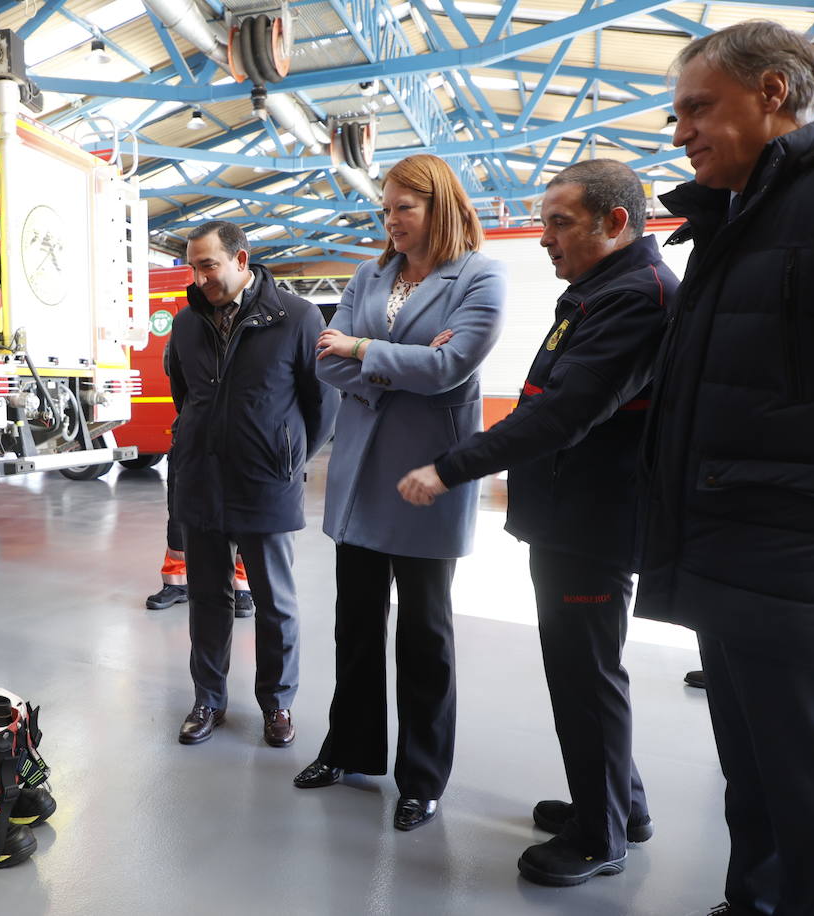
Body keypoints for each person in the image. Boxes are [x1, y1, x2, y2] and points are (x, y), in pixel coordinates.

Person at [398, 160, 675, 884]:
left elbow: (565, 413)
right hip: (567, 518)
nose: (545, 238)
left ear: (614, 223)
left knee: (586, 679)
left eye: (560, 223)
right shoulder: (596, 291)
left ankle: (598, 837)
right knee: (584, 673)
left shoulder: (636, 299)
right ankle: (621, 806)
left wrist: (452, 465)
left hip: (592, 525)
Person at [636, 21, 814, 916]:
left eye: (698, 108)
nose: (680, 131)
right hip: (728, 552)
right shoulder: (734, 223)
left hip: (803, 563)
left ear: (772, 93)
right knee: (754, 781)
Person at [292, 154, 505, 833]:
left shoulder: (480, 276)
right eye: (385, 210)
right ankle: (349, 750)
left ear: (439, 205)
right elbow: (324, 360)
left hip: (423, 480)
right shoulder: (369, 274)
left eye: (402, 209)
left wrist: (362, 349)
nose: (390, 221)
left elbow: (450, 367)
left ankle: (422, 775)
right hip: (358, 476)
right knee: (354, 626)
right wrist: (375, 358)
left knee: (425, 637)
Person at [165, 220, 338, 748]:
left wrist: (287, 458)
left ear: (241, 260)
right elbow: (184, 394)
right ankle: (208, 700)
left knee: (274, 601)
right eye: (193, 267)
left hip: (266, 482)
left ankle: (277, 704)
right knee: (207, 599)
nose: (199, 278)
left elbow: (323, 406)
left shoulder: (298, 318)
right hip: (201, 480)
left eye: (208, 265)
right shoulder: (186, 324)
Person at [146, 444, 254, 617]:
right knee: (179, 514)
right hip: (191, 443)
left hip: (240, 442)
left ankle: (241, 587)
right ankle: (176, 582)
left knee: (240, 514)